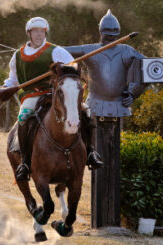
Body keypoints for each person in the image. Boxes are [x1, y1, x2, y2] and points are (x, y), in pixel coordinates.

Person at [64, 9, 146, 228]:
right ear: (101, 31)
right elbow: (62, 53)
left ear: (119, 32)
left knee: (112, 151)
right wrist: (43, 49)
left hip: (119, 105)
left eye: (114, 32)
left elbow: (150, 69)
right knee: (90, 141)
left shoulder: (127, 50)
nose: (110, 35)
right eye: (107, 32)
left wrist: (134, 92)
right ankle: (90, 155)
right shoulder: (90, 50)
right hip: (95, 104)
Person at [0, 17, 103, 181]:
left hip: (55, 94)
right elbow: (13, 79)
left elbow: (73, 68)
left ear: (45, 32)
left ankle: (91, 152)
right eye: (35, 32)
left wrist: (64, 68)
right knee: (23, 117)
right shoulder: (17, 56)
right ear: (29, 33)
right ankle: (25, 162)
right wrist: (4, 87)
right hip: (31, 95)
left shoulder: (56, 51)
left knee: (86, 111)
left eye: (42, 31)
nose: (39, 35)